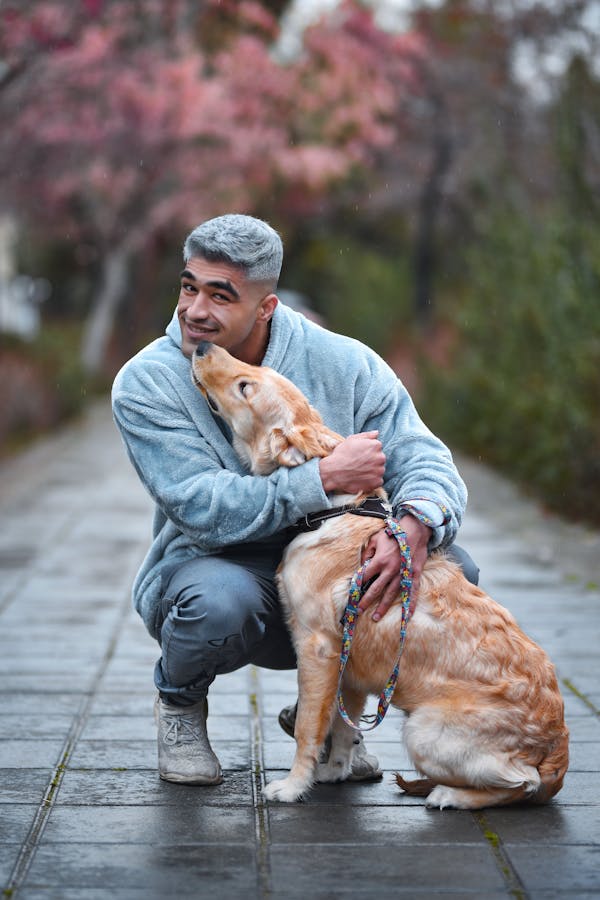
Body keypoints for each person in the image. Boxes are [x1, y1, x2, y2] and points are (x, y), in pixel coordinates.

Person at [112, 213, 477, 787]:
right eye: (188, 287)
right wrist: (323, 477)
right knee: (216, 604)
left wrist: (413, 525)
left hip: (334, 570)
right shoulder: (147, 383)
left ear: (266, 307)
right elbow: (203, 507)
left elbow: (424, 458)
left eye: (219, 295)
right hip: (227, 570)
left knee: (446, 570)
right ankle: (179, 703)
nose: (194, 310)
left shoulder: (346, 362)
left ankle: (332, 715)